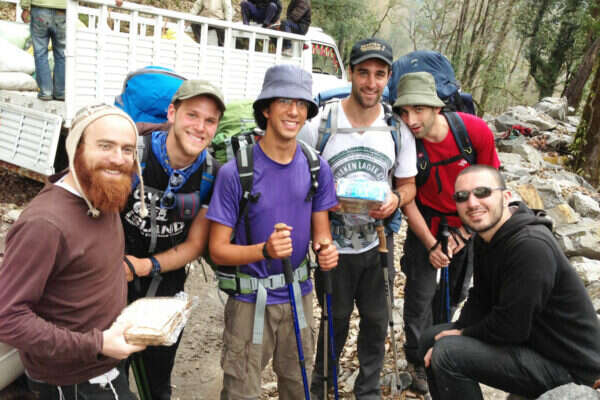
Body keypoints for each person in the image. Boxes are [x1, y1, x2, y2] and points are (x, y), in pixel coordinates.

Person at [207, 64, 339, 399]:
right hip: (249, 301)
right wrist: (263, 250)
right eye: (284, 101)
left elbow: (321, 233)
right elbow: (218, 250)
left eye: (301, 104)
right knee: (241, 392)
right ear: (266, 109)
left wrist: (326, 250)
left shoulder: (317, 167)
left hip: (299, 295)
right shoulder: (235, 173)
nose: (294, 111)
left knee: (298, 387)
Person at [0, 104, 146, 399]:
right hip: (74, 383)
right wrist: (98, 343)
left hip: (105, 361)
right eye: (105, 146)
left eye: (128, 149)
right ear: (76, 148)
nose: (118, 159)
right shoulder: (45, 224)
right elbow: (8, 318)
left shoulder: (103, 192)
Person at [299, 38, 418, 399]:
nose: (371, 82)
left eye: (379, 74)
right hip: (332, 245)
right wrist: (323, 205)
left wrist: (395, 200)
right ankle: (323, 386)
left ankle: (368, 391)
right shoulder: (320, 124)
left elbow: (408, 185)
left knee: (377, 321)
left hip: (378, 241)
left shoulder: (397, 129)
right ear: (350, 73)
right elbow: (298, 180)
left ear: (388, 77)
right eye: (363, 72)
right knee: (333, 320)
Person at [420, 165, 600, 399]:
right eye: (462, 197)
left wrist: (463, 335)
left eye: (483, 192)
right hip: (534, 344)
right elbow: (481, 297)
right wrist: (459, 328)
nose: (472, 203)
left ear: (505, 197)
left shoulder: (530, 246)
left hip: (573, 368)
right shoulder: (487, 237)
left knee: (447, 353)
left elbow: (511, 326)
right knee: (431, 338)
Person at [392, 71, 500, 394]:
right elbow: (407, 198)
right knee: (419, 295)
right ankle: (417, 358)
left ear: (436, 107)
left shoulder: (473, 132)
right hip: (425, 221)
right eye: (404, 111)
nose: (411, 120)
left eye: (418, 110)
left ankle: (440, 347)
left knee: (454, 292)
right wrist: (430, 245)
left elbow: (491, 186)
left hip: (467, 220)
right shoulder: (406, 143)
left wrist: (463, 236)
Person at [120, 80, 225, 400]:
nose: (200, 127)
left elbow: (194, 245)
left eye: (209, 121)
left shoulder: (211, 174)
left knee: (158, 380)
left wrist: (144, 266)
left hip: (166, 285)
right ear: (172, 113)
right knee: (111, 375)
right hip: (113, 276)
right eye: (192, 115)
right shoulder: (135, 153)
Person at [20, 0, 65, 100]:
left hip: (40, 8)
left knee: (40, 52)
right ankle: (60, 92)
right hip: (63, 10)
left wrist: (25, 7)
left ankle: (46, 92)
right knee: (62, 53)